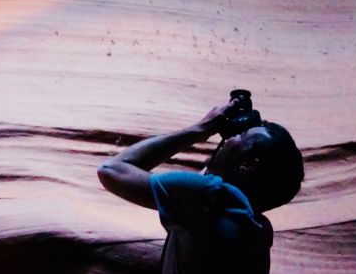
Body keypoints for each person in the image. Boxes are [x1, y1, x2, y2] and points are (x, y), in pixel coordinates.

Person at [97, 98, 305, 274]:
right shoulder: (258, 231)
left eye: (240, 136)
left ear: (248, 165)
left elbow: (111, 169)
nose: (230, 138)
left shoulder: (204, 196)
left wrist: (202, 128)